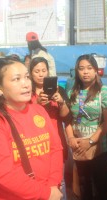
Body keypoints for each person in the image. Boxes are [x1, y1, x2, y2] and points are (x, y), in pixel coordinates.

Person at [0, 57, 64, 200]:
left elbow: (55, 149)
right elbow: (3, 174)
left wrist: (53, 185)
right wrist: (45, 193)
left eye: (27, 77)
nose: (26, 84)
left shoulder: (39, 111)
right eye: (16, 79)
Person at [66, 54, 107, 200]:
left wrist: (91, 141)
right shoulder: (72, 93)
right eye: (81, 68)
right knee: (83, 183)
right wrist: (70, 137)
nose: (85, 72)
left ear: (96, 70)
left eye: (89, 68)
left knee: (100, 184)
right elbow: (68, 120)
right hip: (79, 146)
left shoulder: (105, 92)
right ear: (77, 71)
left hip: (101, 148)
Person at [29, 57, 72, 199]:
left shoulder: (59, 90)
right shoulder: (27, 93)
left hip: (56, 142)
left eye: (43, 70)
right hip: (35, 144)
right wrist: (38, 104)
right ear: (30, 73)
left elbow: (66, 117)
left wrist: (61, 102)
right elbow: (25, 119)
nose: (41, 74)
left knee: (59, 181)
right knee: (37, 180)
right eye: (37, 71)